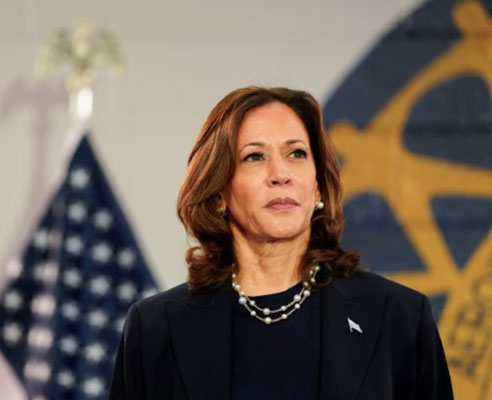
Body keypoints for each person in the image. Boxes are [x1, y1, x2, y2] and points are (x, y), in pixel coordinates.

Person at [108, 87, 453, 400]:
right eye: (255, 157)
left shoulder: (400, 318)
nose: (281, 174)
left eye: (297, 154)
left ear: (317, 187)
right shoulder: (156, 330)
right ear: (218, 194)